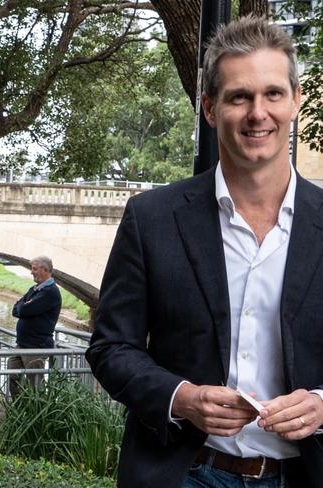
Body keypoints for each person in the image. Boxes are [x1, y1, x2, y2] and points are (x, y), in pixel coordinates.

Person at [86, 16, 323, 488]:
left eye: (273, 94)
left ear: (296, 101)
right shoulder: (151, 218)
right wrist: (182, 397)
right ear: (210, 109)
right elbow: (111, 347)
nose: (259, 113)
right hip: (185, 473)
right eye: (240, 97)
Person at [8, 256, 61, 397]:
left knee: (35, 386)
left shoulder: (50, 292)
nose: (32, 272)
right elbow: (15, 309)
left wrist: (23, 306)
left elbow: (24, 310)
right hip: (22, 345)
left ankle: (39, 416)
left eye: (35, 269)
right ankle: (19, 411)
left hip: (36, 346)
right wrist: (23, 305)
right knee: (12, 376)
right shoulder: (35, 289)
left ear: (45, 269)